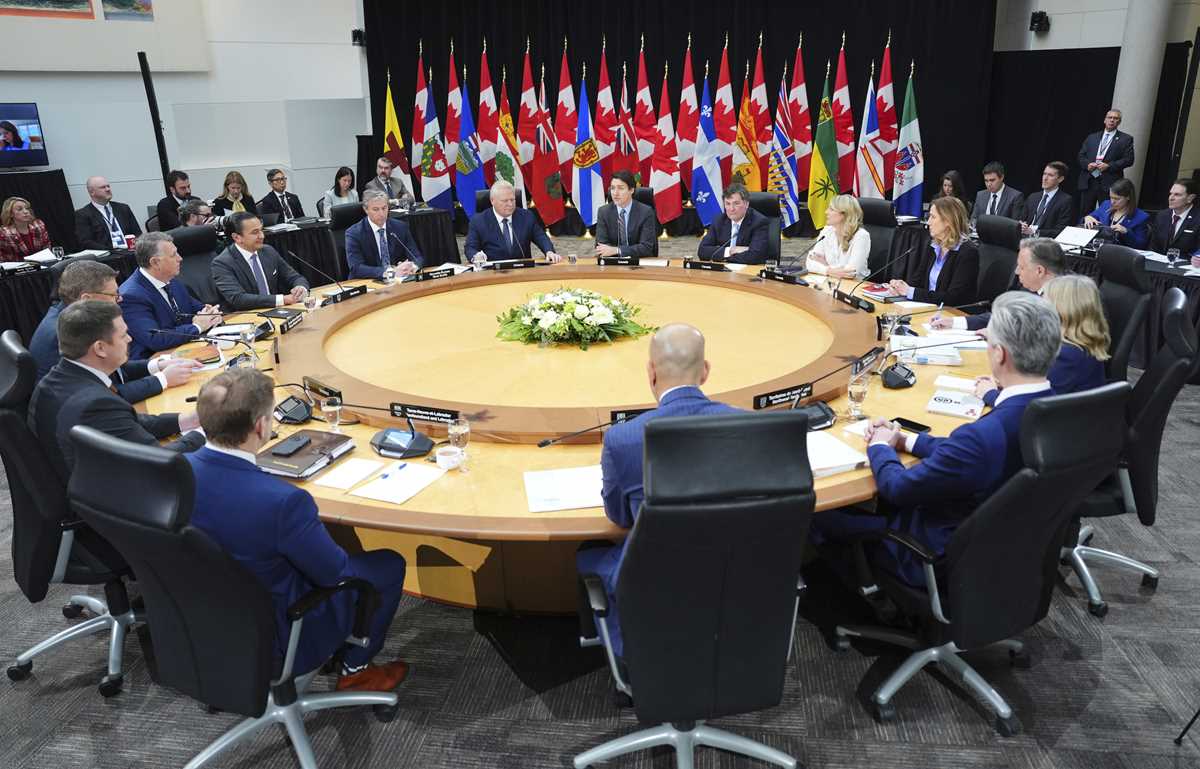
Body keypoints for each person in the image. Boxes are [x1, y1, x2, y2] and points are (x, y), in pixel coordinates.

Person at [810, 291, 1059, 589]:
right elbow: (966, 454)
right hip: (1006, 549)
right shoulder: (1057, 409)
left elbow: (897, 488)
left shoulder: (982, 436)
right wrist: (905, 441)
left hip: (933, 553)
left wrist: (879, 445)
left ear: (999, 354)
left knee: (816, 514)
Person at [186, 368, 410, 691]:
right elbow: (335, 574)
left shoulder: (176, 471)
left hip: (202, 616)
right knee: (387, 565)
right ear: (261, 426)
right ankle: (356, 670)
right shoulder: (284, 502)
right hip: (279, 631)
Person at [575, 323, 738, 659]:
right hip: (733, 578)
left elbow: (618, 517)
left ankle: (628, 652)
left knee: (588, 554)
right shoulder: (748, 427)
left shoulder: (623, 439)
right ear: (705, 371)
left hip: (656, 581)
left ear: (651, 373)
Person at [26, 300, 205, 481]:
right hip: (115, 491)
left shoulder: (58, 377)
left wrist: (187, 420)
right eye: (124, 335)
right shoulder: (96, 404)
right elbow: (160, 461)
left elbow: (127, 423)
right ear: (100, 348)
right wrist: (205, 433)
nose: (130, 339)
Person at [29, 259, 200, 401]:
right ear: (86, 299)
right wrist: (163, 380)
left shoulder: (77, 318)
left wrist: (158, 365)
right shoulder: (65, 333)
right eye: (113, 295)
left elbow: (117, 371)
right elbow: (108, 393)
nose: (120, 299)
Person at [977, 274, 1109, 405]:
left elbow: (1032, 407)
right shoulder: (1081, 344)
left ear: (1061, 311)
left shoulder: (1067, 355)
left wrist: (989, 394)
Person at [119, 231, 223, 358]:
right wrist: (197, 327)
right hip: (158, 360)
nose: (180, 258)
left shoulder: (170, 280)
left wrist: (211, 315)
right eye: (174, 255)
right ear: (155, 262)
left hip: (187, 349)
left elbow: (198, 309)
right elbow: (154, 338)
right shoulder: (131, 296)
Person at [933, 236, 1066, 331]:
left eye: (1021, 267)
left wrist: (1002, 337)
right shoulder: (1029, 288)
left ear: (1039, 271)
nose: (1016, 272)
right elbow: (1003, 316)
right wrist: (953, 322)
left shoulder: (1066, 301)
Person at [888, 196, 980, 306]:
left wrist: (910, 292)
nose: (928, 222)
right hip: (929, 308)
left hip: (952, 312)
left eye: (933, 217)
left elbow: (953, 298)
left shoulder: (968, 253)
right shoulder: (934, 246)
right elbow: (918, 280)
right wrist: (900, 287)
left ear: (948, 221)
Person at [211, 211, 309, 310]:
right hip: (246, 314)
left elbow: (294, 277)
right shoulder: (222, 263)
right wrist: (282, 299)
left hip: (276, 311)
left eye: (261, 230)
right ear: (237, 237)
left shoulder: (268, 251)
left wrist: (301, 288)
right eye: (255, 232)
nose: (262, 236)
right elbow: (238, 299)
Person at [463, 180, 561, 264]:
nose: (510, 204)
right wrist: (476, 256)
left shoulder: (526, 216)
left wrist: (549, 251)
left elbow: (541, 237)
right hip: (492, 272)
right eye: (505, 201)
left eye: (512, 200)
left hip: (522, 270)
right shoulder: (479, 221)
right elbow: (470, 247)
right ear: (492, 201)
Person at [345, 190, 425, 278]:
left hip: (398, 280)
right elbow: (356, 268)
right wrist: (390, 272)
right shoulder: (354, 233)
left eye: (384, 208)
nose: (381, 213)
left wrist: (412, 267)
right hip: (369, 281)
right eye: (376, 209)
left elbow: (417, 256)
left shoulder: (400, 227)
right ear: (366, 209)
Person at [1077, 109, 1135, 216]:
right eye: (1110, 117)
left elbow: (1129, 159)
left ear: (1119, 122)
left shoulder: (1126, 139)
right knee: (1085, 213)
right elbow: (1081, 156)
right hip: (1089, 180)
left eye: (1115, 118)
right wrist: (1087, 165)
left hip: (1109, 183)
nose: (1112, 120)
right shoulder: (1092, 137)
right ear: (1105, 120)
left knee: (1107, 214)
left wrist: (1109, 166)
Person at [696, 182, 770, 263]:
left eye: (736, 203)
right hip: (723, 269)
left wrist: (722, 257)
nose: (731, 209)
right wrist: (729, 251)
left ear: (746, 204)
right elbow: (702, 251)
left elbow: (755, 256)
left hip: (748, 269)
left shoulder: (759, 222)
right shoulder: (719, 220)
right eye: (728, 204)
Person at [594, 170, 658, 259]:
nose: (615, 193)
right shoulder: (603, 212)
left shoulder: (646, 212)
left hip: (639, 261)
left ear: (631, 190)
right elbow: (601, 246)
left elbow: (646, 247)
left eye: (620, 188)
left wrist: (618, 250)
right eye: (612, 188)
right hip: (612, 262)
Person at [804, 194, 871, 278]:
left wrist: (824, 265)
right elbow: (809, 263)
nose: (826, 212)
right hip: (830, 281)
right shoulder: (827, 231)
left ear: (844, 214)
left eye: (831, 209)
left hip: (854, 284)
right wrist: (828, 270)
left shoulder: (861, 236)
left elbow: (851, 272)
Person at [74, 176, 142, 250]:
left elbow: (138, 233)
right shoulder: (83, 214)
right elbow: (86, 242)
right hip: (107, 253)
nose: (108, 189)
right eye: (103, 187)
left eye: (108, 186)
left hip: (130, 251)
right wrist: (111, 250)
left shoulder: (123, 208)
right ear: (92, 192)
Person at [1081, 178, 1149, 249]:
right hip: (1098, 249)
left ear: (1128, 197)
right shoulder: (1106, 205)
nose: (1112, 202)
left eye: (1117, 199)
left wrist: (1126, 232)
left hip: (1120, 252)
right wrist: (1087, 218)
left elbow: (1140, 245)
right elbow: (1090, 219)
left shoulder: (1141, 217)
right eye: (1111, 197)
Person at [1020, 161, 1074, 238]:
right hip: (1024, 238)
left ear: (1060, 179)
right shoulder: (1033, 197)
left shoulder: (1065, 200)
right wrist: (1021, 225)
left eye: (1050, 175)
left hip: (1044, 241)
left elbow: (1061, 230)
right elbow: (1021, 219)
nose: (1045, 178)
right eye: (1044, 174)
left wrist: (1035, 232)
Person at [1149, 178, 1200, 256]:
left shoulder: (1197, 218)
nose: (1171, 198)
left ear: (1190, 198)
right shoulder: (1162, 215)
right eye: (1170, 194)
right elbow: (1153, 246)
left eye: (1177, 195)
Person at [0, 196, 52, 262]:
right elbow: (3, 259)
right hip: (18, 267)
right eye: (19, 209)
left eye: (27, 208)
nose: (26, 211)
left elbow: (47, 249)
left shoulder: (39, 225)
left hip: (43, 264)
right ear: (10, 214)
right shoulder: (3, 233)